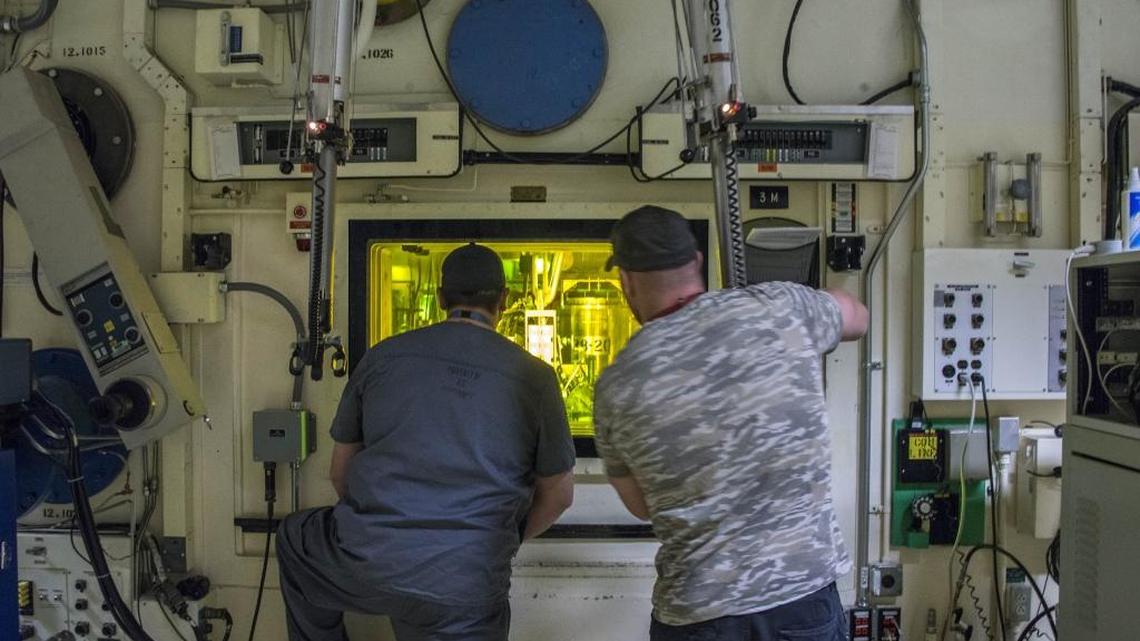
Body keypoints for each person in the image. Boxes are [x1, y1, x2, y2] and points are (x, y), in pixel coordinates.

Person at [593, 205, 870, 641]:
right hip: (800, 602)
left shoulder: (617, 385)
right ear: (698, 262)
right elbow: (856, 316)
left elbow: (642, 505)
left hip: (698, 613)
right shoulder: (781, 308)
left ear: (625, 282)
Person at [276, 243, 576, 641]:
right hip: (465, 584)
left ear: (439, 298)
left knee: (295, 537)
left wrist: (387, 536)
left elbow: (340, 473)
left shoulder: (382, 357)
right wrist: (494, 541)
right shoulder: (535, 377)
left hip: (366, 564)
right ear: (504, 300)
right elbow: (558, 496)